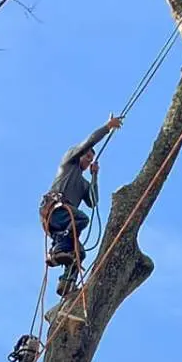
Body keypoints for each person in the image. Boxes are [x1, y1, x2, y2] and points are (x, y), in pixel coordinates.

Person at [42, 115, 122, 289]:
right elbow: (88, 142)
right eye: (86, 157)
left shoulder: (83, 183)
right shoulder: (69, 163)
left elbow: (93, 202)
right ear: (79, 155)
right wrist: (107, 127)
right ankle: (58, 249)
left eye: (90, 160)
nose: (88, 161)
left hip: (64, 222)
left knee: (80, 253)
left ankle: (66, 283)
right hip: (55, 210)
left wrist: (94, 176)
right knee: (82, 219)